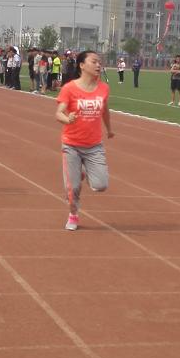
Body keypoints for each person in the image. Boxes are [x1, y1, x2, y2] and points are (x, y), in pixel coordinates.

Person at [55, 50, 114, 230]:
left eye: (99, 62)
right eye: (94, 62)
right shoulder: (69, 88)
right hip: (71, 145)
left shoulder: (103, 88)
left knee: (101, 185)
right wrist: (68, 119)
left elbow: (105, 110)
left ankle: (84, 170)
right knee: (72, 188)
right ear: (82, 65)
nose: (98, 65)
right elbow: (59, 113)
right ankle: (73, 215)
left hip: (94, 146)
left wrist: (109, 129)